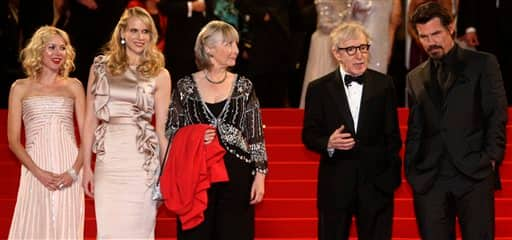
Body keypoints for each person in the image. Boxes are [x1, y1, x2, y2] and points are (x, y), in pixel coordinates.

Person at [405, 2, 507, 239]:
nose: (431, 42)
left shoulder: (483, 63)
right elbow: (416, 128)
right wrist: (413, 170)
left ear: (451, 28)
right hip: (430, 179)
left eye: (436, 33)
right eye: (424, 36)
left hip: (473, 173)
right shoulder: (415, 77)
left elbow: (496, 113)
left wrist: (491, 158)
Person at [165, 20, 267, 240]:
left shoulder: (244, 86)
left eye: (236, 44)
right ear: (209, 48)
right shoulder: (185, 86)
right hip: (196, 173)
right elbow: (171, 131)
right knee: (196, 234)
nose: (236, 50)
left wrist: (260, 175)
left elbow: (255, 134)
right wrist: (195, 136)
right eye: (229, 44)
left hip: (237, 173)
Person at [302, 22, 402, 240]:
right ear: (337, 53)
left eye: (364, 48)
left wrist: (388, 179)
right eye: (351, 49)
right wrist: (328, 142)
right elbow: (309, 134)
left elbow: (393, 136)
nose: (360, 56)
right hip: (336, 185)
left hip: (376, 186)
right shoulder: (318, 89)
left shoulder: (384, 84)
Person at [81, 7, 171, 239]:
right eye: (134, 30)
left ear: (152, 36)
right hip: (108, 160)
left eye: (145, 31)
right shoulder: (100, 67)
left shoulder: (160, 75)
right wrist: (86, 167)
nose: (140, 37)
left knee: (139, 230)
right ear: (122, 32)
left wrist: (167, 172)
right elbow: (90, 120)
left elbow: (162, 130)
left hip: (141, 162)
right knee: (109, 231)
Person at [7, 26, 85, 239]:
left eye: (62, 48)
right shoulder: (20, 88)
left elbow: (88, 136)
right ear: (39, 50)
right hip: (34, 167)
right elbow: (13, 141)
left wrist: (74, 171)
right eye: (51, 47)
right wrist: (37, 171)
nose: (58, 53)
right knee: (33, 224)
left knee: (66, 225)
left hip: (68, 167)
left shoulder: (74, 86)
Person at [299, 0, 402, 108]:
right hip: (358, 38)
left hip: (375, 39)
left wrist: (389, 43)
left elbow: (395, 18)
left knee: (374, 82)